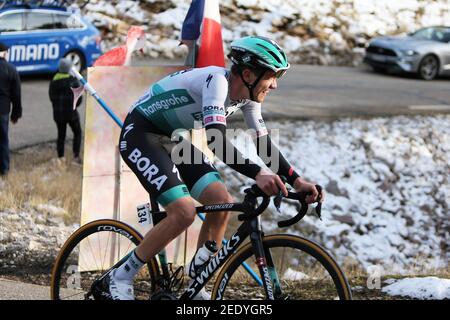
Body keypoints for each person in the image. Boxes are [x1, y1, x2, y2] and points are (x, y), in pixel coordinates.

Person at [98, 36, 325, 300]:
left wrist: (297, 182)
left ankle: (196, 287)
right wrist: (259, 173)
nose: (274, 85)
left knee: (221, 202)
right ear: (249, 74)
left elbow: (263, 145)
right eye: (271, 77)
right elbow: (216, 140)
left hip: (170, 138)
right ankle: (120, 275)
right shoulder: (217, 83)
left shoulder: (248, 98)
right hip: (141, 133)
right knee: (183, 213)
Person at [48, 58, 83, 164]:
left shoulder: (53, 81)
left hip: (58, 114)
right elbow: (79, 99)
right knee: (77, 132)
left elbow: (51, 97)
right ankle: (76, 155)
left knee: (61, 135)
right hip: (72, 113)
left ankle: (60, 157)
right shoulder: (73, 81)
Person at [0, 43, 22, 177]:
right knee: (3, 140)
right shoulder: (11, 69)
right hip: (2, 111)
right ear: (4, 53)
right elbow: (16, 95)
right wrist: (16, 114)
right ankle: (4, 169)